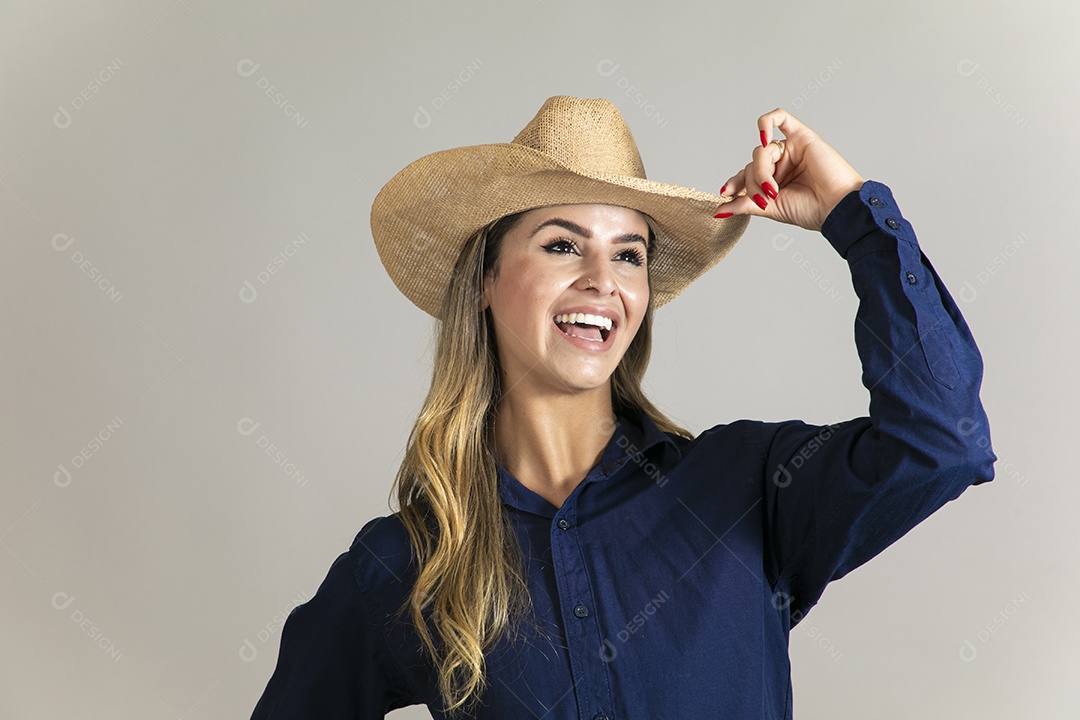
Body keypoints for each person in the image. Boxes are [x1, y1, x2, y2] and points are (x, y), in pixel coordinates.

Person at [249, 95, 997, 719]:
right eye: (562, 246)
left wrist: (851, 215)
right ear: (484, 279)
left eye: (629, 254)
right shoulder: (407, 564)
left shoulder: (745, 489)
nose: (603, 280)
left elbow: (943, 440)